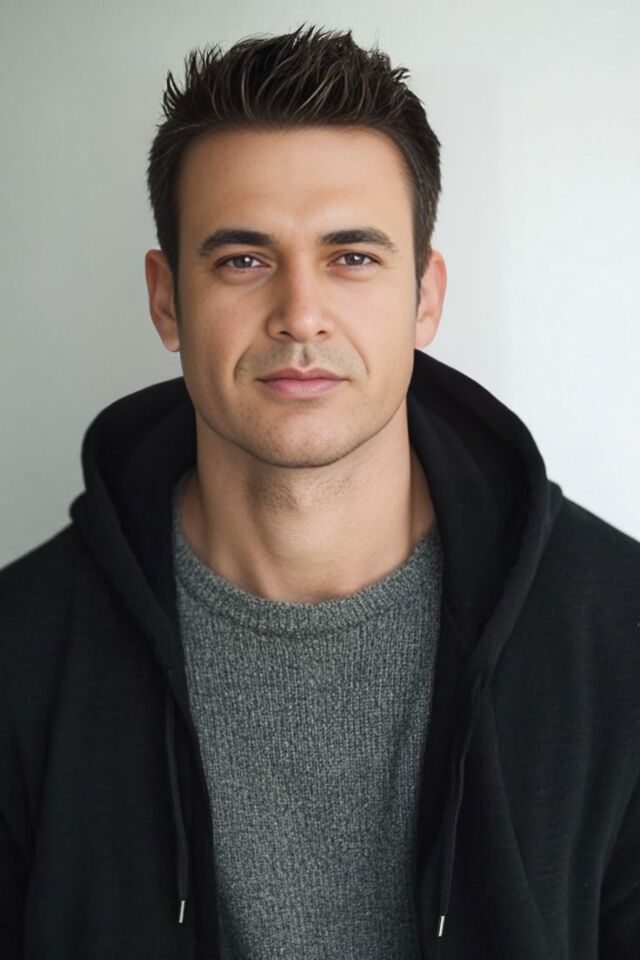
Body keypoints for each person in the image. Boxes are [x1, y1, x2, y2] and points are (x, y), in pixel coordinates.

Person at [0, 22, 638, 960]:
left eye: (352, 257)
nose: (300, 315)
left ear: (425, 296)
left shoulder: (617, 631)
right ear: (167, 300)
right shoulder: (20, 652)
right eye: (243, 259)